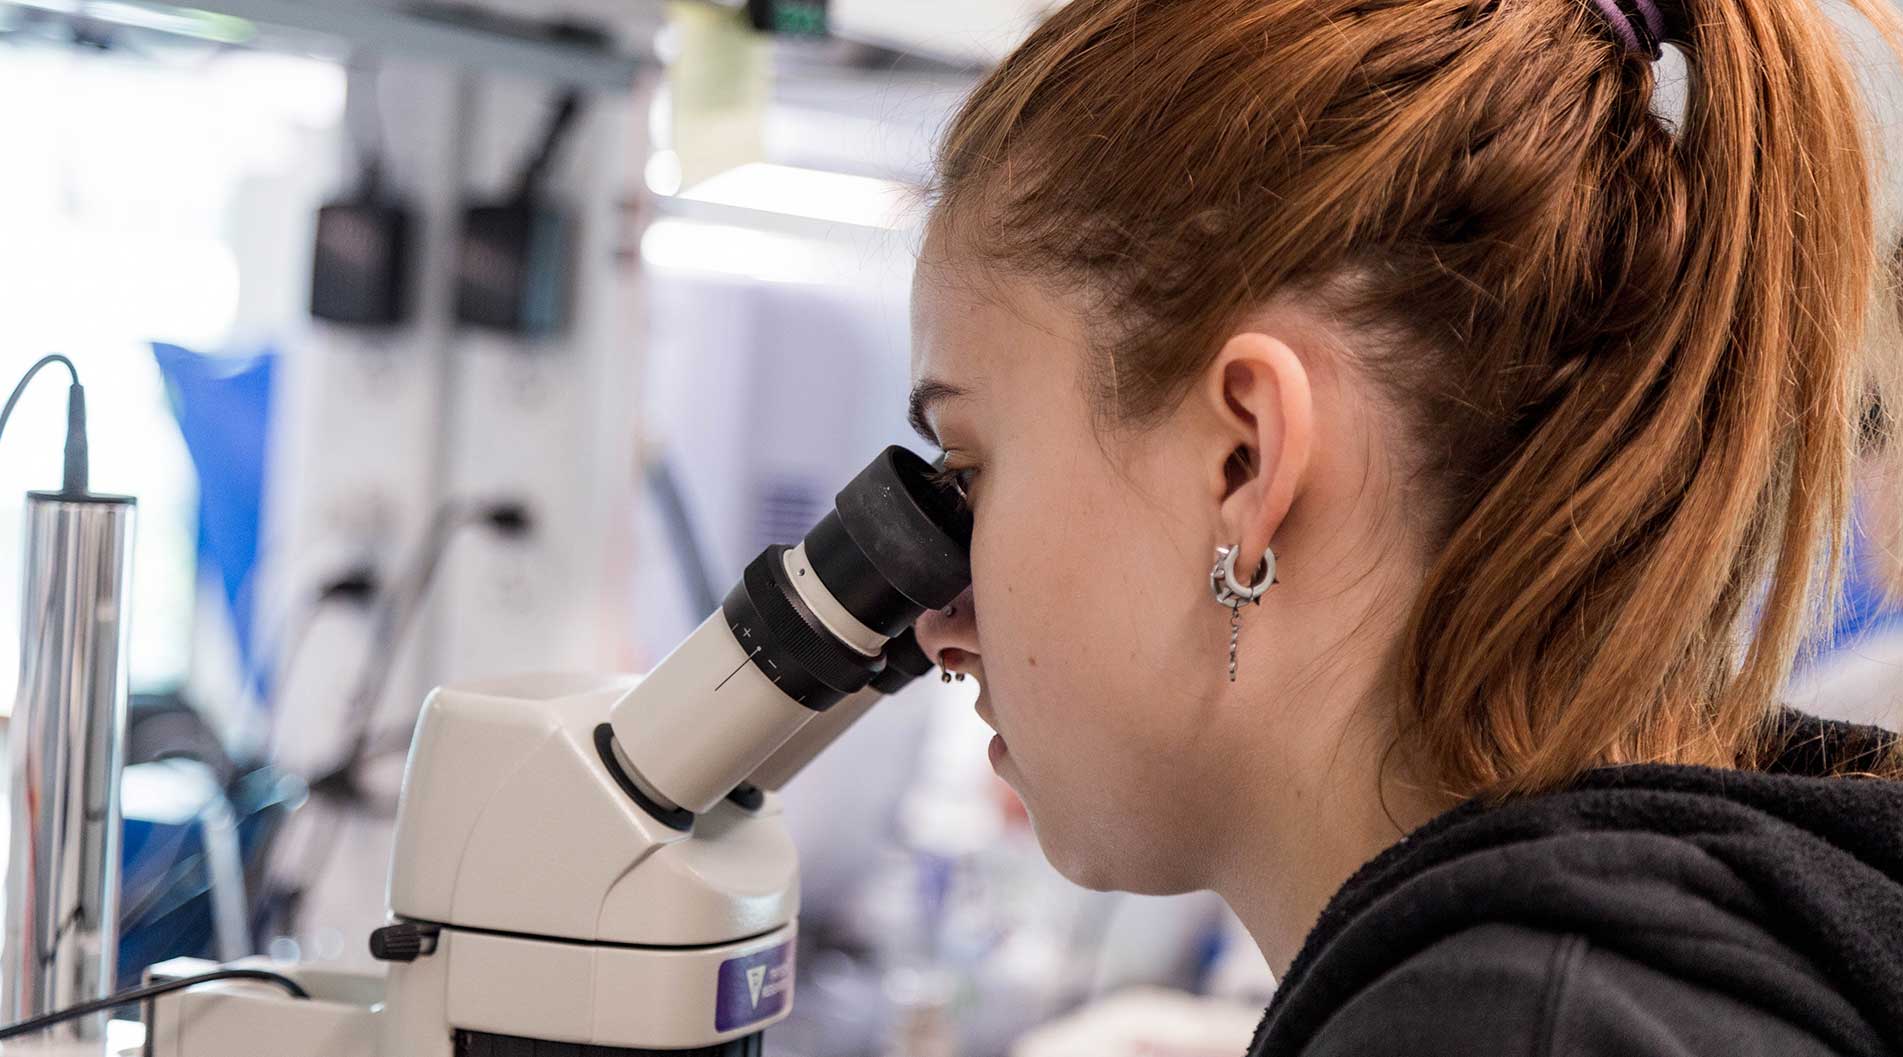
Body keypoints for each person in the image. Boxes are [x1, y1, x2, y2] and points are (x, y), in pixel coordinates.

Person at [906, 0, 1903, 1053]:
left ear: (1244, 459)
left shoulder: (1508, 1026)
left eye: (969, 468)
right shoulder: (1688, 939)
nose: (934, 620)